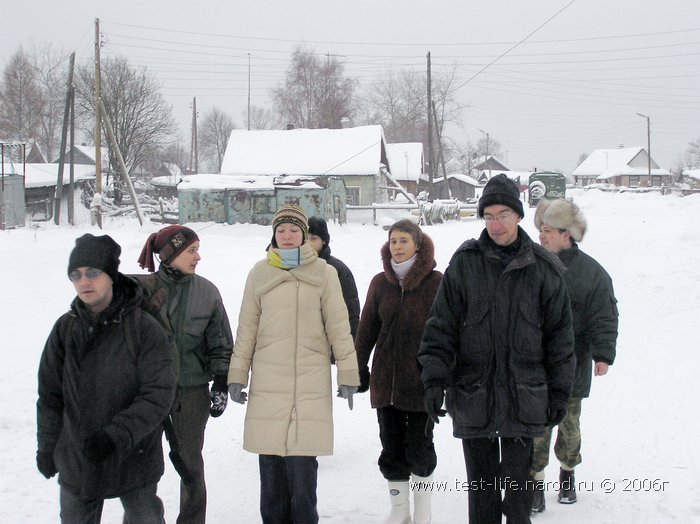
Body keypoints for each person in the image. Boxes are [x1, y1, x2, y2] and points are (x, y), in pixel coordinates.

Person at [417, 174, 576, 524]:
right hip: (475, 397)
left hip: (524, 400)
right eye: (488, 216)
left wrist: (560, 394)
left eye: (503, 214)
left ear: (519, 216)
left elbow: (560, 339)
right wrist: (433, 380)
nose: (496, 223)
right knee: (483, 500)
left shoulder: (543, 269)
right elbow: (440, 327)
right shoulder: (465, 264)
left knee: (518, 503)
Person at [227, 204, 360, 524]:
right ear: (273, 234)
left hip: (309, 384)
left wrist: (348, 372)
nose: (287, 236)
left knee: (302, 479)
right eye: (281, 230)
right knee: (271, 479)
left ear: (304, 236)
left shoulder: (325, 274)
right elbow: (246, 329)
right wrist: (237, 374)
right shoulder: (259, 274)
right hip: (268, 384)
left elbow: (339, 327)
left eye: (294, 231)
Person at [36, 234, 177, 524]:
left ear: (111, 276)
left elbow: (158, 394)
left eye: (93, 273)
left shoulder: (144, 328)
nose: (84, 281)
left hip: (134, 454)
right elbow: (50, 396)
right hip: (79, 457)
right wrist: (47, 446)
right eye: (75, 275)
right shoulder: (66, 329)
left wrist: (117, 435)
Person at [136, 225, 234, 524]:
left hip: (191, 392)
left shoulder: (207, 292)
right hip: (146, 394)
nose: (198, 257)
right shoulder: (141, 290)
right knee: (141, 466)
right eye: (191, 250)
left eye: (197, 249)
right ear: (171, 254)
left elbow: (220, 342)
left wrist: (220, 381)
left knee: (191, 465)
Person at [530, 198, 619, 512]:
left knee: (569, 425)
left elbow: (604, 315)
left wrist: (603, 354)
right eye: (540, 228)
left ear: (566, 233)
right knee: (537, 426)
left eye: (548, 230)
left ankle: (567, 472)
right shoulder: (532, 264)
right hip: (536, 364)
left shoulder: (592, 273)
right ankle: (536, 483)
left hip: (573, 364)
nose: (541, 235)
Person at [355, 219, 442, 524]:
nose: (398, 246)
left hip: (421, 383)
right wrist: (359, 368)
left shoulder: (436, 283)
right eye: (393, 241)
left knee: (419, 448)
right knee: (391, 449)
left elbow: (446, 333)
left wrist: (441, 376)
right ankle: (399, 511)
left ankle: (423, 512)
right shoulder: (381, 283)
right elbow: (366, 329)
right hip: (386, 383)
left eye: (404, 241)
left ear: (418, 245)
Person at [308, 216, 360, 340]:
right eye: (305, 238)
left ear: (324, 241)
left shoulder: (338, 270)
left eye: (313, 238)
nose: (308, 243)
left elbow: (350, 310)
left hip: (329, 342)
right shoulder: (294, 267)